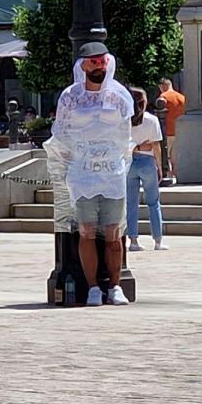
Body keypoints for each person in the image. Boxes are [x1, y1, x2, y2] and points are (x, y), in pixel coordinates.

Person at [45, 42, 134, 306]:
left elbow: (126, 133)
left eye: (101, 61)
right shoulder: (70, 97)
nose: (97, 67)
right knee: (85, 231)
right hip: (82, 174)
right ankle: (93, 287)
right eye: (91, 62)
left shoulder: (118, 96)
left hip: (112, 173)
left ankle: (115, 286)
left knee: (113, 234)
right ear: (82, 65)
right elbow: (60, 132)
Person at [126, 87, 168, 252]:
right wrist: (161, 167)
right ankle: (157, 240)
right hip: (147, 160)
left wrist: (135, 147)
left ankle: (134, 240)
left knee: (131, 203)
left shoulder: (124, 120)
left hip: (129, 161)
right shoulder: (151, 120)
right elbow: (156, 146)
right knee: (153, 202)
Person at [158, 77, 186, 180]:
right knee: (175, 156)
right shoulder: (182, 97)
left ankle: (168, 176)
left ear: (162, 86)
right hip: (180, 130)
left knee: (166, 157)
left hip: (168, 131)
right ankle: (177, 176)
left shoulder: (163, 97)